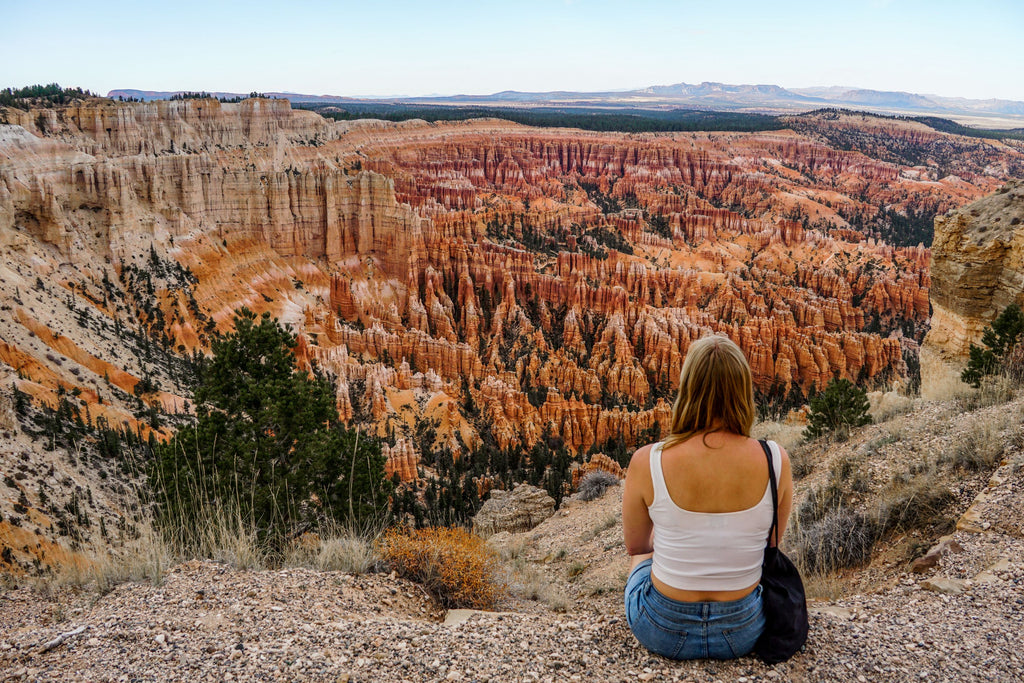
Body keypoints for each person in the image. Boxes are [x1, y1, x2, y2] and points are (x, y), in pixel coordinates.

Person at [622, 334, 793, 660]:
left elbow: (636, 546)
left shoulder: (648, 460)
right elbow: (770, 545)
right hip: (742, 631)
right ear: (743, 390)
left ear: (688, 388)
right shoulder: (775, 459)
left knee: (642, 560)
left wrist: (673, 529)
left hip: (661, 628)